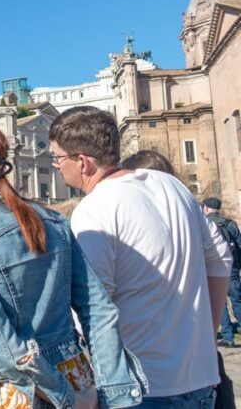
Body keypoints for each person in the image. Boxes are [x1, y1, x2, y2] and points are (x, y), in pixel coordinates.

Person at [0, 115, 146, 408]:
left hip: (2, 393)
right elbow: (99, 311)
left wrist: (67, 399)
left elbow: (4, 348)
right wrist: (112, 393)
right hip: (74, 376)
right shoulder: (52, 221)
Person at [49, 106, 231, 406]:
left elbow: (94, 307)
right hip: (199, 377)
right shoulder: (171, 185)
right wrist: (207, 335)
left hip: (142, 386)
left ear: (82, 162)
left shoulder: (94, 209)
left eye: (57, 157)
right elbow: (221, 258)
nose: (56, 165)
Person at [121, 152, 237, 406]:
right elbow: (221, 257)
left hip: (150, 374)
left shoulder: (130, 210)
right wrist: (211, 329)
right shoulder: (187, 208)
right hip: (196, 368)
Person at [203, 197, 241, 348]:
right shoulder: (230, 223)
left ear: (206, 208)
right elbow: (239, 245)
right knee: (237, 300)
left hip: (213, 269)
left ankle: (227, 337)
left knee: (220, 304)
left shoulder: (205, 224)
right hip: (232, 268)